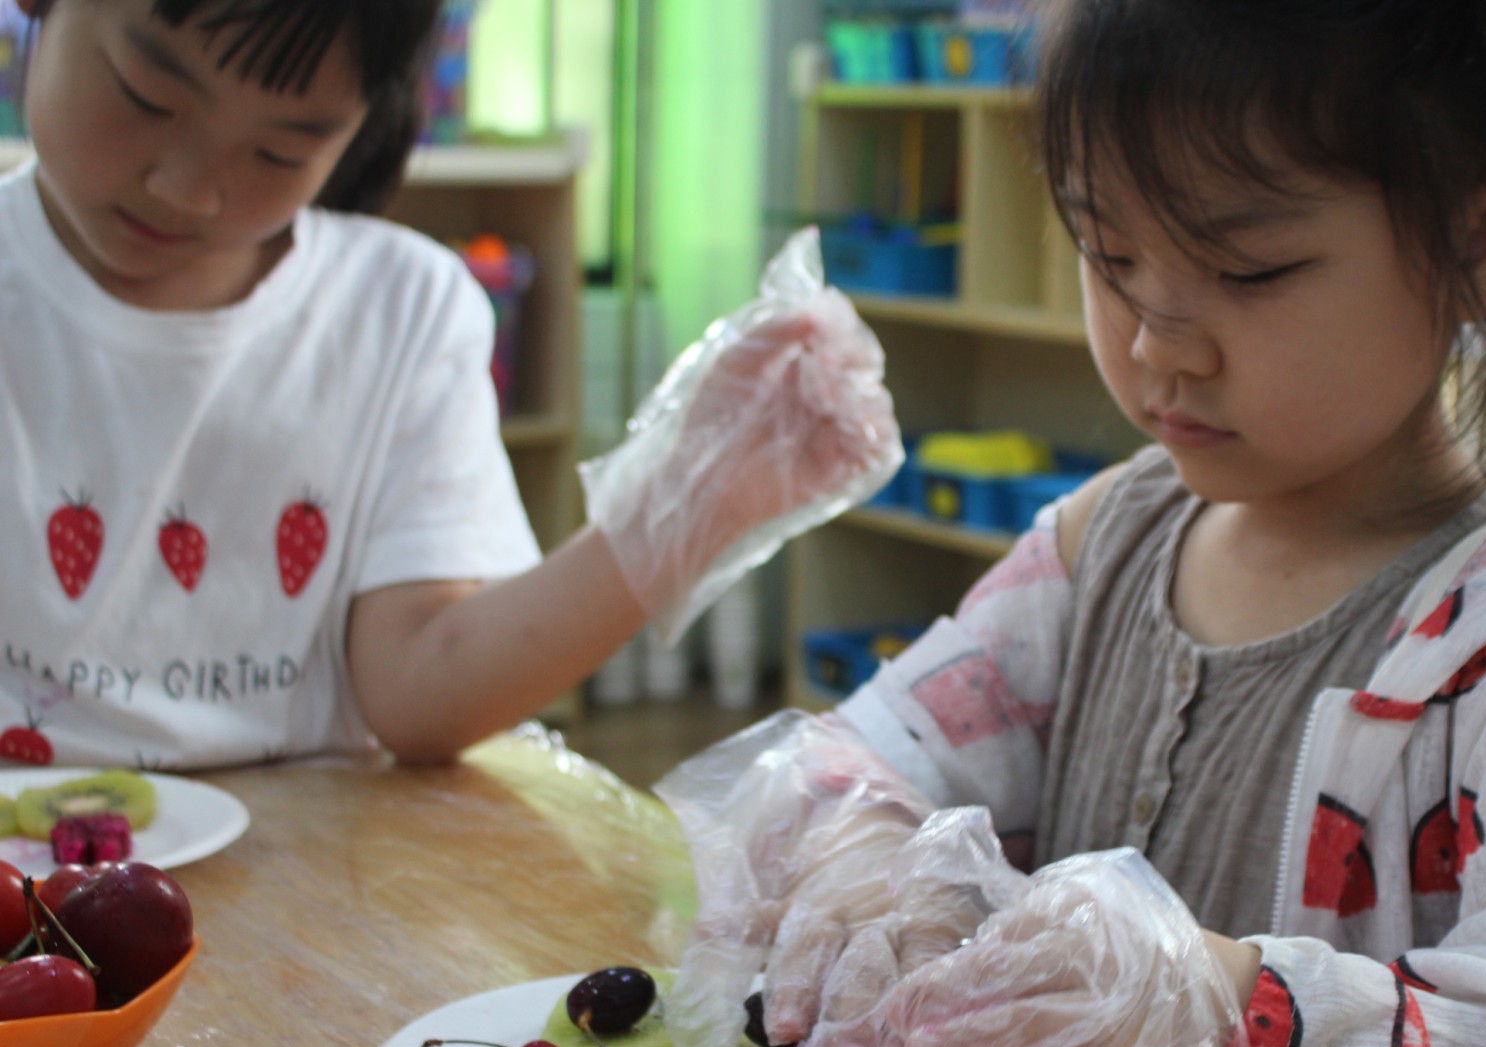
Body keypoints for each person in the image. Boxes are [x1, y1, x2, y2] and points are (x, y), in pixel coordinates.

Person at [659, 0, 1486, 1047]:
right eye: (1107, 255)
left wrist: (1221, 1003)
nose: (1156, 344)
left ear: (1479, 241)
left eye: (1246, 270)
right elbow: (864, 759)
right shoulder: (1099, 544)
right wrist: (858, 857)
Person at [1, 0, 898, 770]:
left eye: (278, 152)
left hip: (300, 885)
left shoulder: (402, 309)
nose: (189, 190)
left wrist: (693, 495)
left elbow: (419, 687)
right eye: (147, 98)